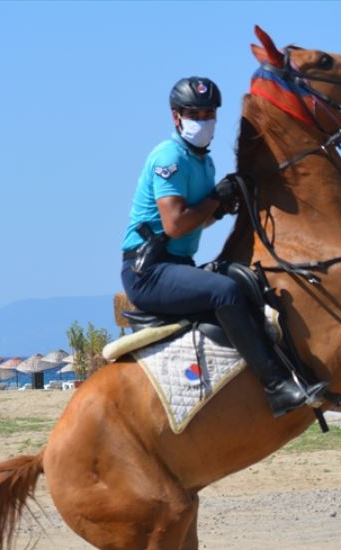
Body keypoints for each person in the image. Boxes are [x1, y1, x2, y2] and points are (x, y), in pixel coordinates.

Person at [120, 76, 321, 418]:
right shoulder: (169, 157)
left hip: (178, 264)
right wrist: (216, 198)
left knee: (248, 283)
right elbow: (176, 223)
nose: (203, 120)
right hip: (149, 272)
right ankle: (276, 387)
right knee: (225, 292)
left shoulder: (204, 161)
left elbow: (201, 220)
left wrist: (227, 204)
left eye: (209, 113)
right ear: (176, 117)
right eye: (194, 114)